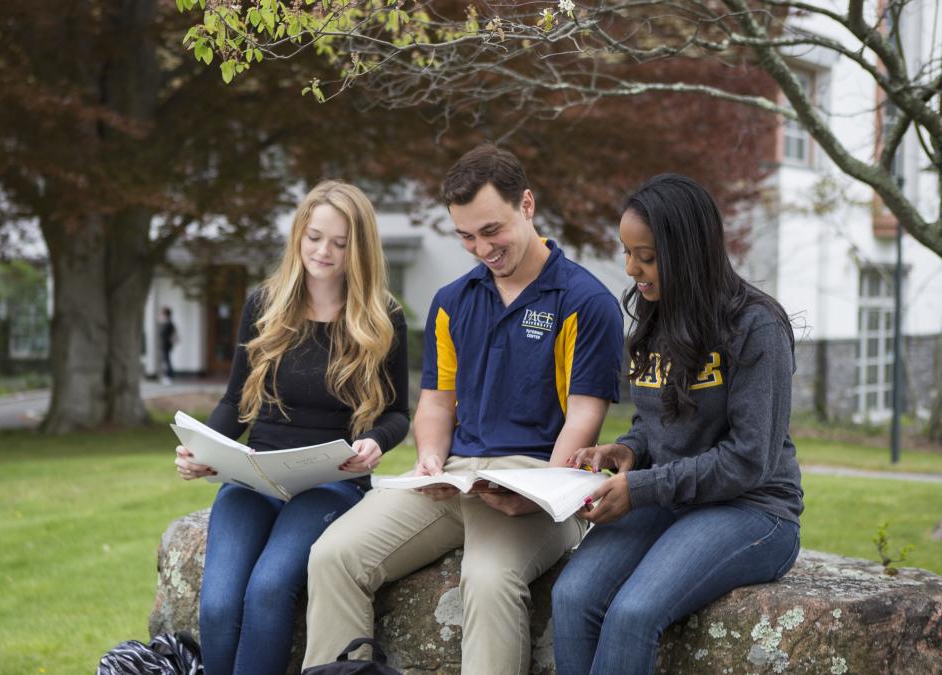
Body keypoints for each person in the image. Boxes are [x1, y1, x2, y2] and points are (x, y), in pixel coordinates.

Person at [302, 145, 624, 674]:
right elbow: (436, 401)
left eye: (491, 230)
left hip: (539, 477)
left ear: (527, 205)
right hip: (454, 478)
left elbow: (584, 417)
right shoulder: (452, 300)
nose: (481, 248)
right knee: (333, 555)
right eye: (466, 237)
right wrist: (430, 456)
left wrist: (542, 492)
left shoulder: (585, 302)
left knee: (489, 579)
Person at [550, 174, 803, 675]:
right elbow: (656, 423)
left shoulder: (755, 326)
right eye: (626, 253)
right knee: (572, 594)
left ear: (687, 251)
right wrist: (626, 451)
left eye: (645, 256)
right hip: (673, 500)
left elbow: (750, 459)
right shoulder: (657, 316)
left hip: (752, 509)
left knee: (633, 612)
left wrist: (642, 486)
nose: (631, 270)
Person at [173, 180, 410, 675]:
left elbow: (396, 414)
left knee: (269, 588)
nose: (323, 251)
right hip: (255, 475)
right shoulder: (265, 303)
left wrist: (375, 443)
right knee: (218, 604)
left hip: (331, 481)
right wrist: (205, 449)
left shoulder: (381, 317)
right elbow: (237, 400)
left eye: (340, 243)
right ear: (299, 235)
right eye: (314, 237)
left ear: (359, 250)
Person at [159, 307, 177, 386]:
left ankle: (168, 377)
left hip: (166, 345)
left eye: (162, 313)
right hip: (165, 344)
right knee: (166, 360)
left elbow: (171, 335)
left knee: (167, 361)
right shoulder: (167, 323)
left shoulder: (169, 323)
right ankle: (167, 376)